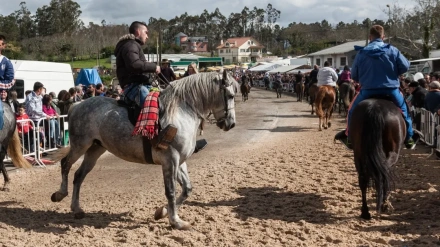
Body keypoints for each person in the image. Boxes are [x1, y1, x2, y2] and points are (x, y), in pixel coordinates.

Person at [334, 25, 419, 150]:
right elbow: (405, 66)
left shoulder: (361, 52)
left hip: (367, 90)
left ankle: (349, 137)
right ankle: (409, 138)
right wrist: (395, 71)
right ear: (383, 37)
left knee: (351, 110)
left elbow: (354, 75)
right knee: (405, 110)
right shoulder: (393, 50)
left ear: (370, 37)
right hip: (391, 90)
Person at [114, 21, 160, 107]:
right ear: (138, 31)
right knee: (149, 107)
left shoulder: (132, 45)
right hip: (134, 87)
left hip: (139, 85)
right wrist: (154, 67)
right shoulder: (131, 45)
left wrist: (147, 65)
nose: (147, 36)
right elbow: (134, 64)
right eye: (146, 33)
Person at [0, 35, 16, 128]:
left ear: (3, 46)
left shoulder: (6, 62)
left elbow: (10, 81)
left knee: (0, 111)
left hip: (1, 93)